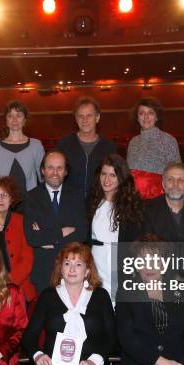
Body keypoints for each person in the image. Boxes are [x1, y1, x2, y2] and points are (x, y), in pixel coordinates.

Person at [114, 238, 184, 365]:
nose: (148, 266)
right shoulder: (125, 292)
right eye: (142, 260)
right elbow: (127, 339)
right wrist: (162, 363)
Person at [22, 242, 116, 365]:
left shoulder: (100, 296)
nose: (72, 269)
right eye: (67, 263)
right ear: (61, 268)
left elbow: (112, 336)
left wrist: (94, 361)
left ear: (87, 271)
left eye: (78, 264)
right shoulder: (48, 296)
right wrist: (38, 355)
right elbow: (29, 335)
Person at [24, 150, 88, 293]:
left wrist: (48, 238)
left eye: (60, 168)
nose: (55, 172)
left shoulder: (76, 195)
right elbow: (32, 237)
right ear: (42, 170)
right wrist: (62, 232)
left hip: (72, 271)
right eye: (50, 167)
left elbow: (82, 233)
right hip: (43, 271)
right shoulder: (31, 197)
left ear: (65, 172)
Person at [88, 154, 143, 298]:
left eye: (113, 175)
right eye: (104, 174)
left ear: (122, 177)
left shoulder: (131, 205)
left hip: (118, 261)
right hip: (95, 259)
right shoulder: (92, 200)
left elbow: (135, 242)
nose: (107, 180)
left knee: (116, 301)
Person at [57, 96, 116, 198]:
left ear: (97, 118)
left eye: (89, 115)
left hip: (99, 204)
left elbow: (115, 178)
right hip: (70, 204)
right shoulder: (64, 144)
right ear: (76, 119)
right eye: (80, 116)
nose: (85, 120)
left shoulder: (108, 146)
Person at [0, 100, 45, 196]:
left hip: (30, 201)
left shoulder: (36, 145)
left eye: (19, 115)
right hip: (3, 202)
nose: (14, 120)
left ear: (25, 120)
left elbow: (43, 177)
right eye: (10, 116)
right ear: (6, 121)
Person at [127, 98, 181, 200]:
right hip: (135, 200)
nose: (146, 117)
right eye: (141, 113)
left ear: (156, 117)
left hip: (160, 199)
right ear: (137, 118)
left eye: (150, 113)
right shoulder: (133, 142)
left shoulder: (169, 140)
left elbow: (177, 173)